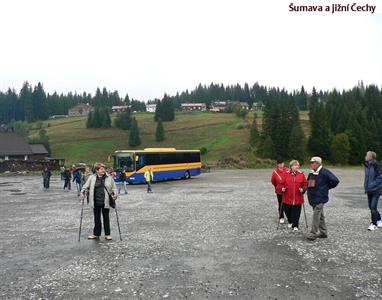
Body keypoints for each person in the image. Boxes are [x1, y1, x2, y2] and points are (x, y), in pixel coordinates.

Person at [81, 162, 118, 240]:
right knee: (97, 218)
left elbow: (114, 188)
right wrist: (83, 192)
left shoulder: (109, 177)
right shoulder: (91, 177)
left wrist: (115, 194)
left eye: (103, 169)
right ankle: (96, 234)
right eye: (101, 169)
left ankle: (107, 234)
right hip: (95, 201)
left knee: (106, 218)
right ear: (97, 170)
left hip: (106, 201)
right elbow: (85, 186)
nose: (103, 170)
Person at [306, 157, 339, 240]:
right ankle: (323, 233)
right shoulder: (311, 173)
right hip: (313, 198)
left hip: (320, 198)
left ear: (317, 163)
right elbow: (308, 184)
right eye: (311, 162)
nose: (311, 164)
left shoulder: (324, 172)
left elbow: (335, 180)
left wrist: (327, 187)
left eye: (312, 162)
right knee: (320, 215)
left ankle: (313, 233)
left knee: (316, 214)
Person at [281, 160, 307, 231]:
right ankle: (290, 221)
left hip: (298, 197)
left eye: (297, 165)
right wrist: (282, 188)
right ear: (291, 166)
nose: (296, 167)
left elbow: (305, 184)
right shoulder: (285, 174)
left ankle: (295, 225)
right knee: (286, 210)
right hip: (287, 197)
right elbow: (281, 183)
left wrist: (303, 189)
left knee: (296, 212)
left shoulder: (301, 174)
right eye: (294, 165)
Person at [363, 151, 382, 231]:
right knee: (371, 207)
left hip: (376, 190)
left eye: (367, 155)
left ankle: (374, 224)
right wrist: (366, 186)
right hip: (369, 190)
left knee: (373, 207)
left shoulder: (376, 165)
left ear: (371, 157)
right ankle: (379, 219)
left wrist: (372, 184)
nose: (365, 156)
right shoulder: (367, 165)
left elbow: (380, 177)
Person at [271, 159, 288, 224]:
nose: (281, 165)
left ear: (283, 164)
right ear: (277, 164)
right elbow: (273, 181)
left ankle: (289, 217)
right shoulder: (275, 172)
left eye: (282, 163)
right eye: (279, 164)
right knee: (281, 204)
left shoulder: (287, 170)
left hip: (287, 190)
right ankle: (281, 217)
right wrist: (278, 187)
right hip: (279, 191)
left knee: (287, 204)